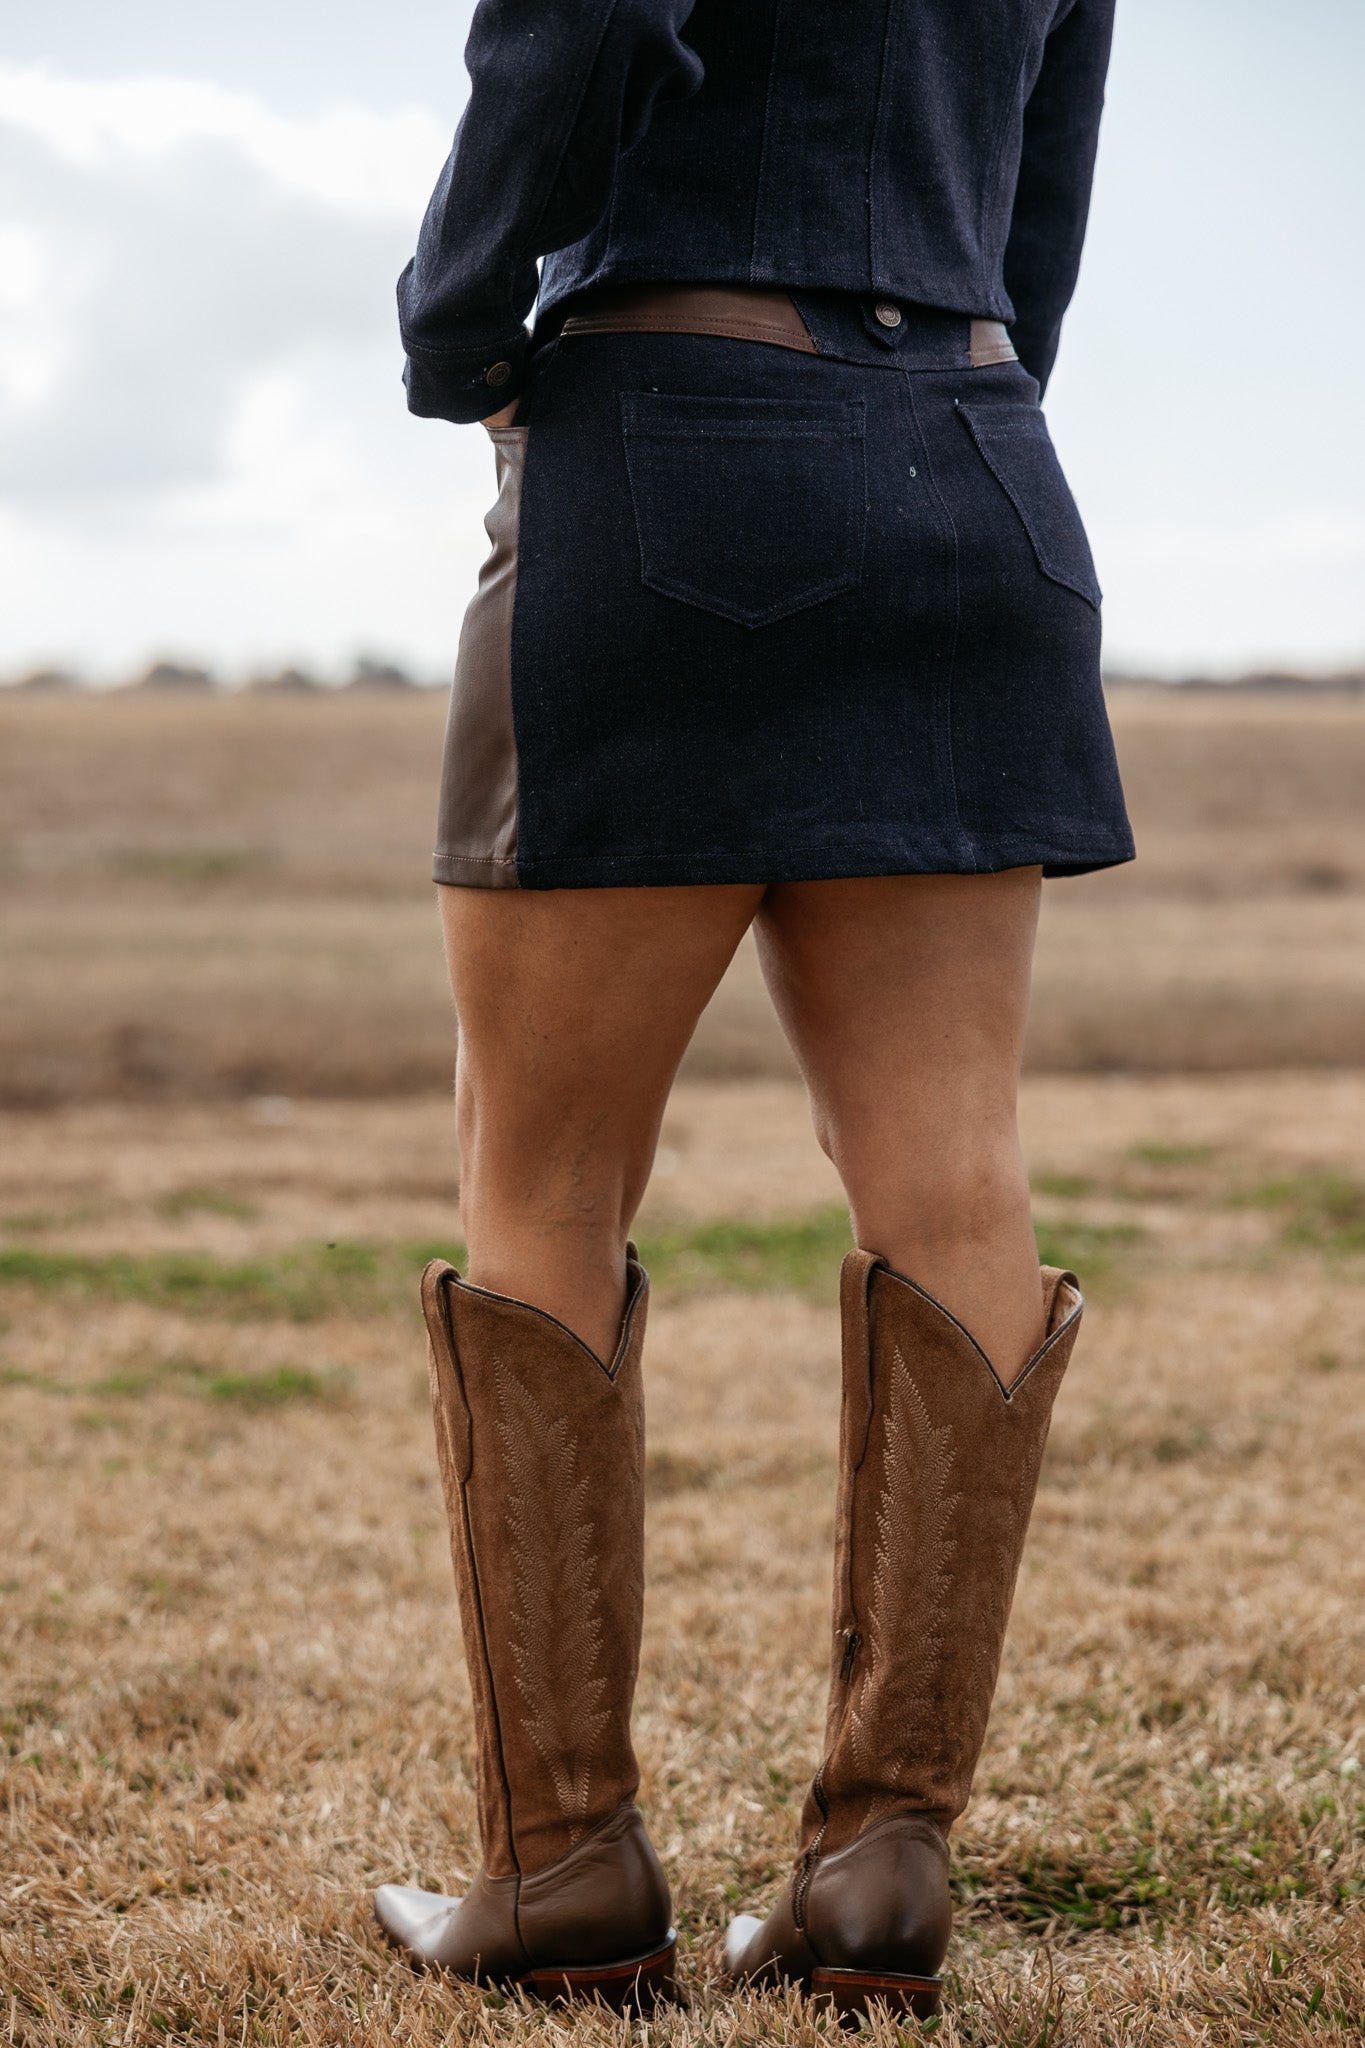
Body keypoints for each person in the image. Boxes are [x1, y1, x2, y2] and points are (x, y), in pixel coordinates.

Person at [371, 0, 1131, 2020]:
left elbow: (583, 21)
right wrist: (948, 399)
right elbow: (1037, 179)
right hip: (977, 457)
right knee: (951, 1172)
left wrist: (458, 325)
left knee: (539, 1167)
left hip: (667, 441)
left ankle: (561, 1870)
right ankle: (881, 1857)